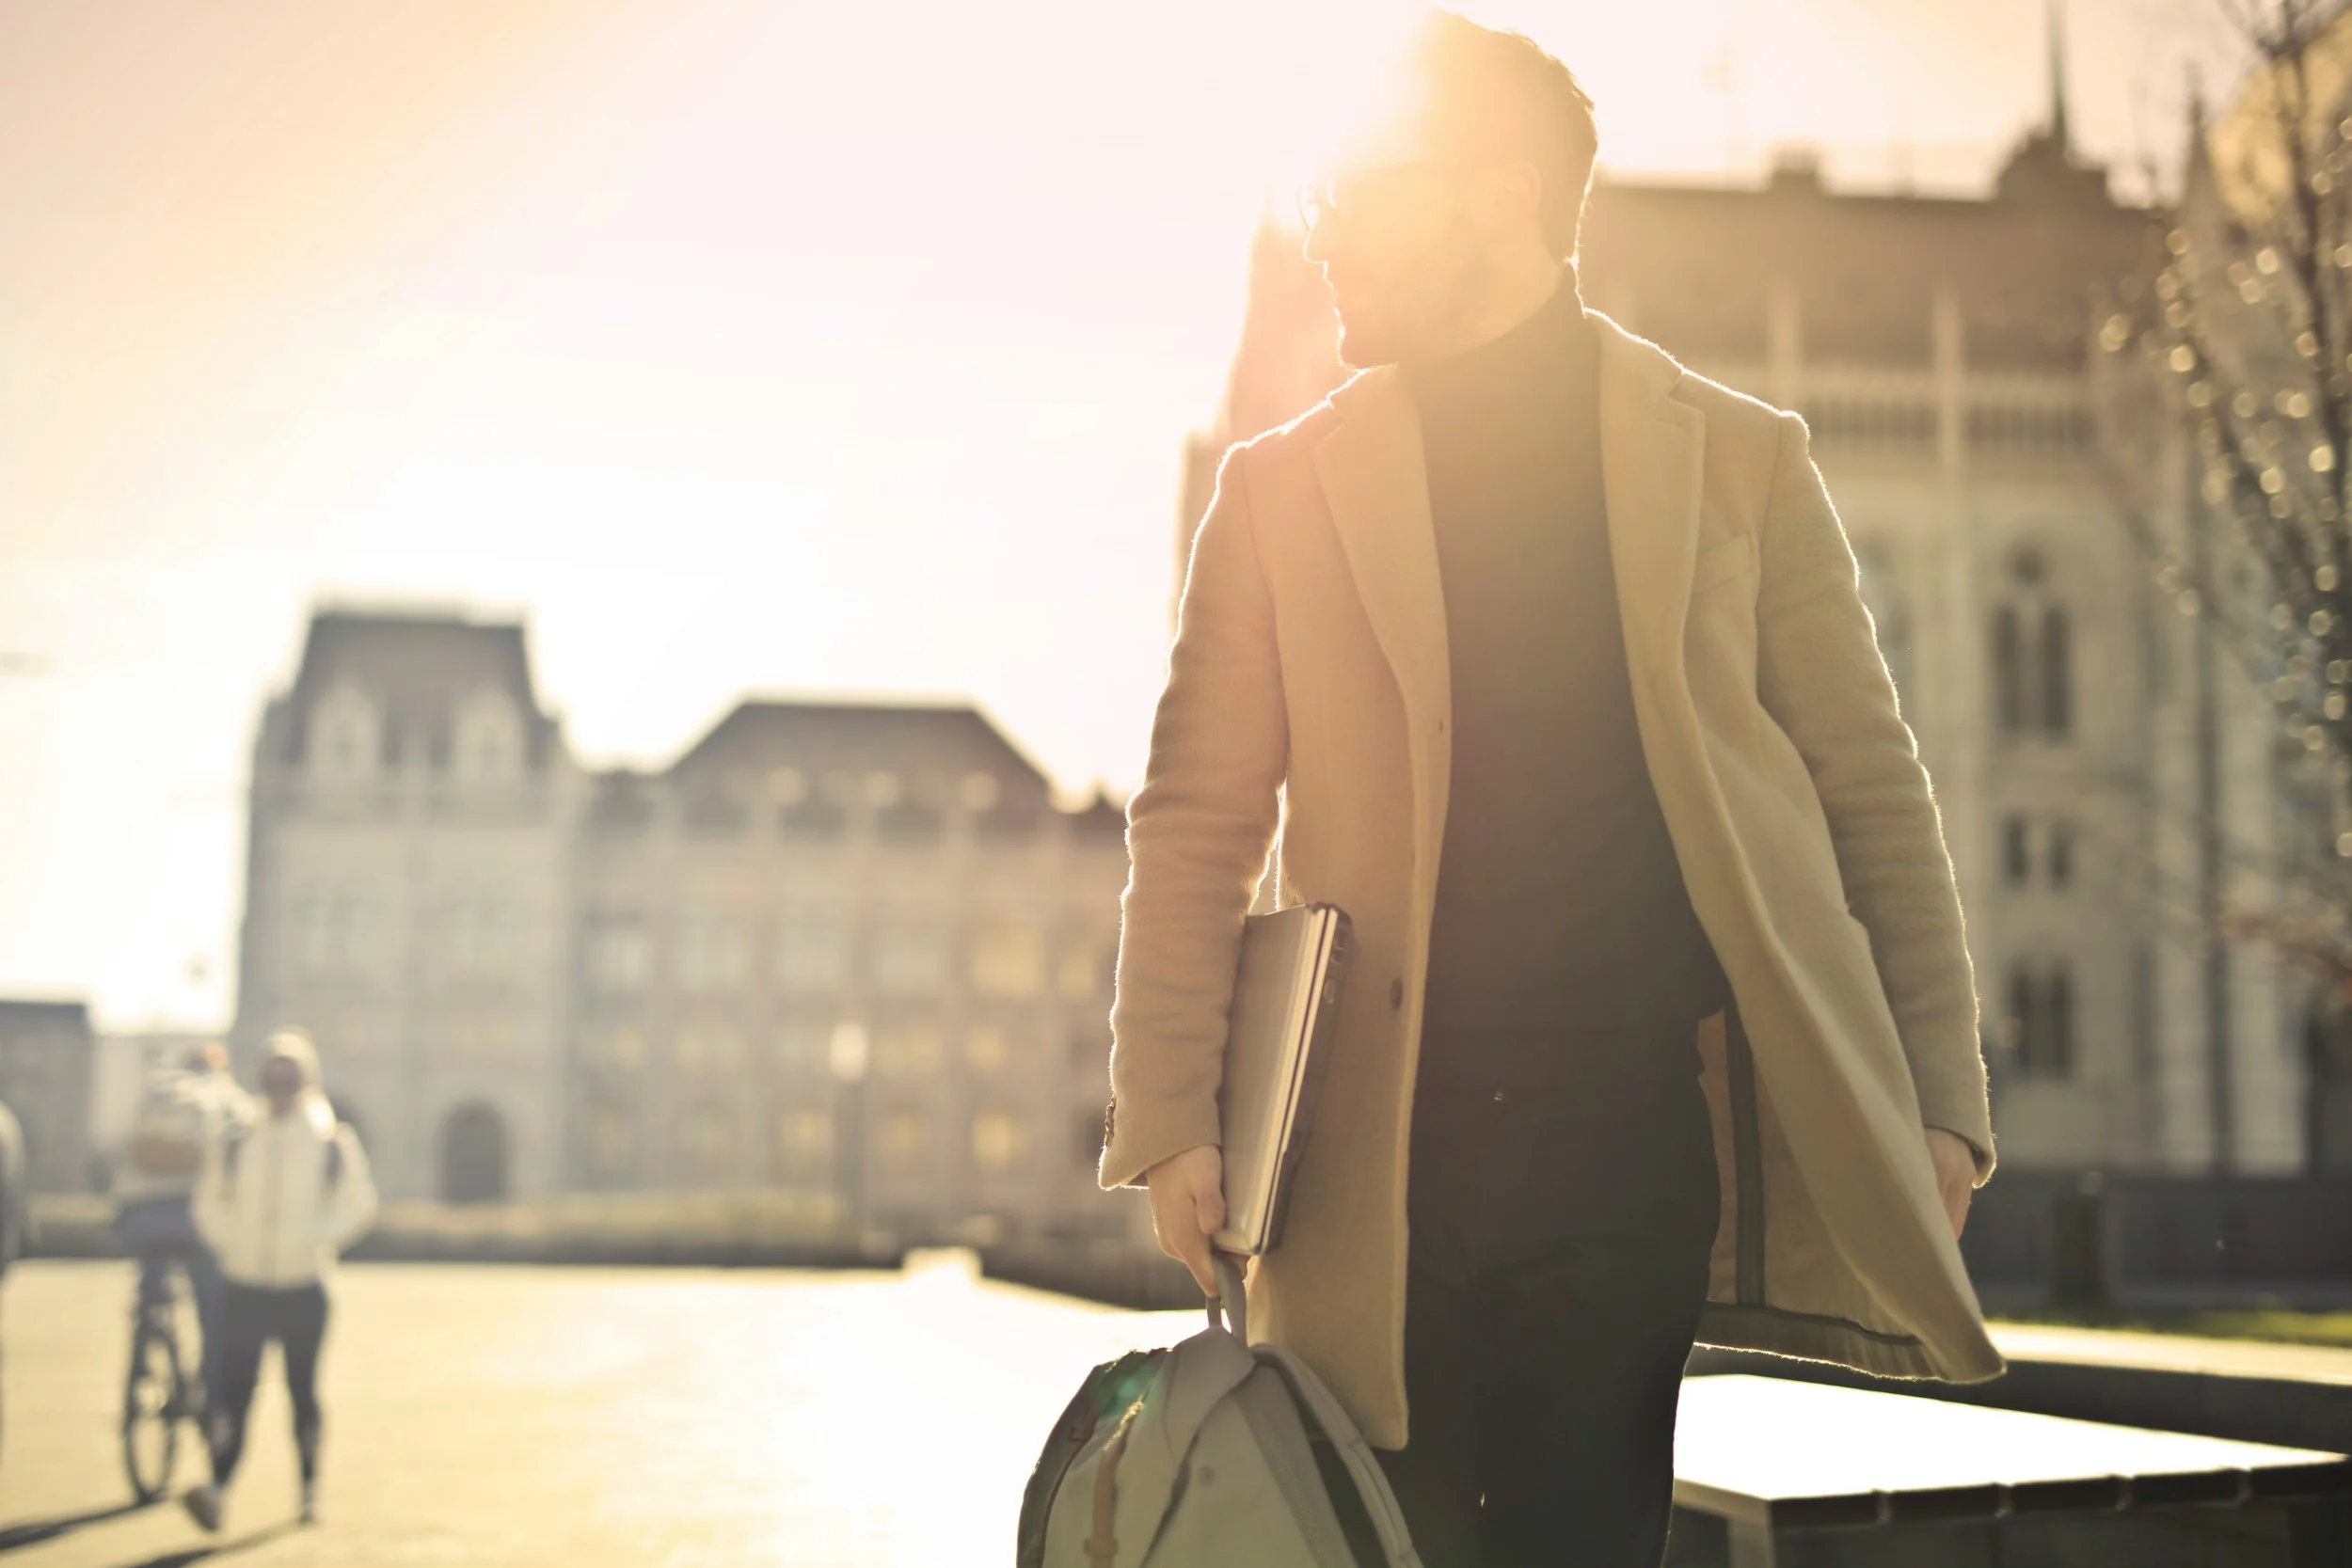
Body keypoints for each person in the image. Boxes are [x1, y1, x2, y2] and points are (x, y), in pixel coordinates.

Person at [1099, 14, 1998, 1566]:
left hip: (1625, 1150)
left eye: (1357, 191)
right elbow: (1195, 815)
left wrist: (1944, 1103)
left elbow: (1872, 793)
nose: (1325, 235)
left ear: (1501, 193)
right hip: (1368, 1164)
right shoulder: (1276, 489)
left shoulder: (1744, 459)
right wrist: (1175, 1108)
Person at [183, 1030, 376, 1532]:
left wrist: (314, 1239)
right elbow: (209, 1202)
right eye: (271, 1078)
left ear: (307, 1081)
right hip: (244, 1283)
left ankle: (308, 1488)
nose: (280, 1088)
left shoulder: (333, 1141)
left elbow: (359, 1204)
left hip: (303, 1286)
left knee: (302, 1391)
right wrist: (230, 1243)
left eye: (289, 1079)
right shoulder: (236, 1138)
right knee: (233, 1393)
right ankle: (219, 1488)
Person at [113, 1041, 246, 1413]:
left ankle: (143, 1355)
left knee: (151, 1286)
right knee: (211, 1306)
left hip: (140, 1216)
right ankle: (209, 1395)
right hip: (196, 1218)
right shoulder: (228, 1096)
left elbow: (120, 1150)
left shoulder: (153, 1092)